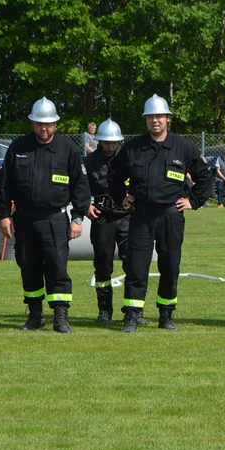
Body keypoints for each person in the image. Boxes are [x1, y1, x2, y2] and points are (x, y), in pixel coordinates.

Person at [107, 94, 213, 333]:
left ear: (168, 119)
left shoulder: (183, 147)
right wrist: (122, 196)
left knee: (170, 265)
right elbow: (113, 175)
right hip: (141, 215)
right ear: (146, 120)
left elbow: (205, 176)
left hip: (171, 215)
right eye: (150, 117)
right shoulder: (133, 147)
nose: (155, 121)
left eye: (159, 116)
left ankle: (166, 314)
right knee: (136, 266)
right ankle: (132, 316)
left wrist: (193, 201)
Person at [0, 97, 90, 334]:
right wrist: (4, 215)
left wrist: (78, 217)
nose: (44, 128)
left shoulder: (67, 149)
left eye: (48, 123)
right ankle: (35, 315)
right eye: (39, 123)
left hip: (56, 219)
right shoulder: (18, 148)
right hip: (25, 219)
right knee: (28, 266)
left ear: (56, 124)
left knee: (57, 266)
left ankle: (60, 315)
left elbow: (81, 186)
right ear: (31, 122)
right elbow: (4, 184)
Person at [84, 118, 129, 323]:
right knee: (103, 264)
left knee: (133, 263)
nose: (111, 146)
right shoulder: (88, 162)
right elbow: (79, 188)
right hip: (102, 218)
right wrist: (85, 206)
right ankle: (104, 310)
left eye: (114, 142)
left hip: (129, 217)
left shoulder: (130, 157)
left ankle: (133, 309)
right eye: (107, 142)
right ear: (99, 141)